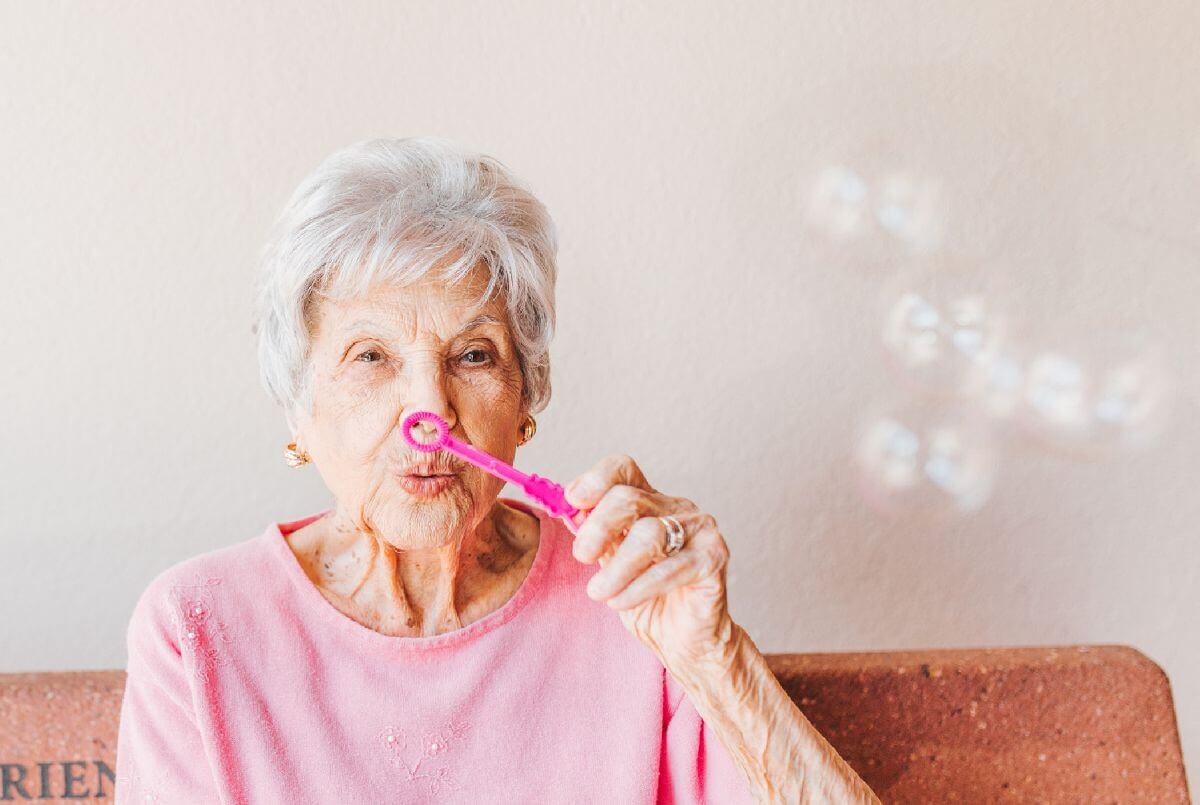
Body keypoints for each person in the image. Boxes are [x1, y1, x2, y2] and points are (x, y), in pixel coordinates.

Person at [114, 136, 880, 804]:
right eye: (371, 356)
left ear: (524, 400)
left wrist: (715, 659)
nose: (431, 409)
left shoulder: (626, 600)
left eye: (473, 355)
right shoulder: (196, 627)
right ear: (298, 407)